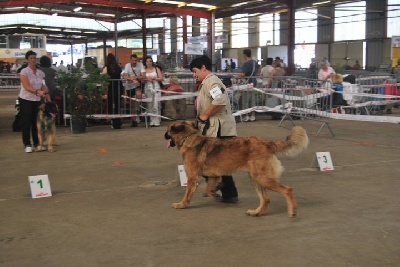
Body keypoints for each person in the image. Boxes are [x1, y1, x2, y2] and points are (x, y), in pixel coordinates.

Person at [189, 55, 239, 203]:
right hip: (215, 128)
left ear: (204, 67)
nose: (194, 74)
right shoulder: (206, 83)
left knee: (205, 161)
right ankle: (230, 194)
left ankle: (218, 183)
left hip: (220, 129)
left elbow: (220, 101)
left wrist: (204, 115)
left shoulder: (213, 82)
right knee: (221, 163)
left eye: (195, 70)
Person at [18, 50, 50, 153]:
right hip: (26, 99)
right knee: (26, 122)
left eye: (34, 58)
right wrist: (38, 91)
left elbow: (42, 84)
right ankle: (27, 144)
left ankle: (37, 143)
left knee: (36, 123)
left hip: (36, 100)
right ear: (27, 59)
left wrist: (45, 90)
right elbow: (27, 87)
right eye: (31, 58)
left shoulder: (40, 73)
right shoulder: (24, 72)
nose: (33, 60)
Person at [103, 53, 124, 129]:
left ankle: (113, 121)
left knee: (111, 106)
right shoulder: (118, 67)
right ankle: (118, 123)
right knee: (118, 105)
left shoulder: (106, 68)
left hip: (111, 88)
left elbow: (103, 78)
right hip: (119, 88)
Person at [141, 56, 164, 127]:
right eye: (147, 61)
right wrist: (146, 79)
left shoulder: (156, 69)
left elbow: (161, 78)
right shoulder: (144, 70)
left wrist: (155, 78)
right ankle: (152, 120)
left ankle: (157, 120)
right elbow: (142, 80)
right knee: (150, 105)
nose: (149, 63)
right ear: (145, 63)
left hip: (156, 87)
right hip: (148, 88)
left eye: (150, 61)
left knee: (156, 104)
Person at [122, 54, 144, 127]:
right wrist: (132, 79)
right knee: (132, 104)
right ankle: (133, 120)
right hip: (129, 87)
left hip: (137, 85)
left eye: (135, 60)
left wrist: (136, 77)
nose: (134, 62)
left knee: (138, 94)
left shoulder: (140, 65)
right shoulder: (127, 65)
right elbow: (124, 75)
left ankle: (138, 108)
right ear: (130, 60)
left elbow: (143, 75)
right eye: (133, 60)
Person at [239, 49, 260, 122]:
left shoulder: (246, 64)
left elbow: (243, 74)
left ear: (244, 55)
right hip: (254, 83)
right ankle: (253, 115)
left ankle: (246, 115)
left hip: (247, 84)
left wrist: (239, 75)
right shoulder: (254, 62)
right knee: (253, 100)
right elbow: (259, 68)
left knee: (245, 100)